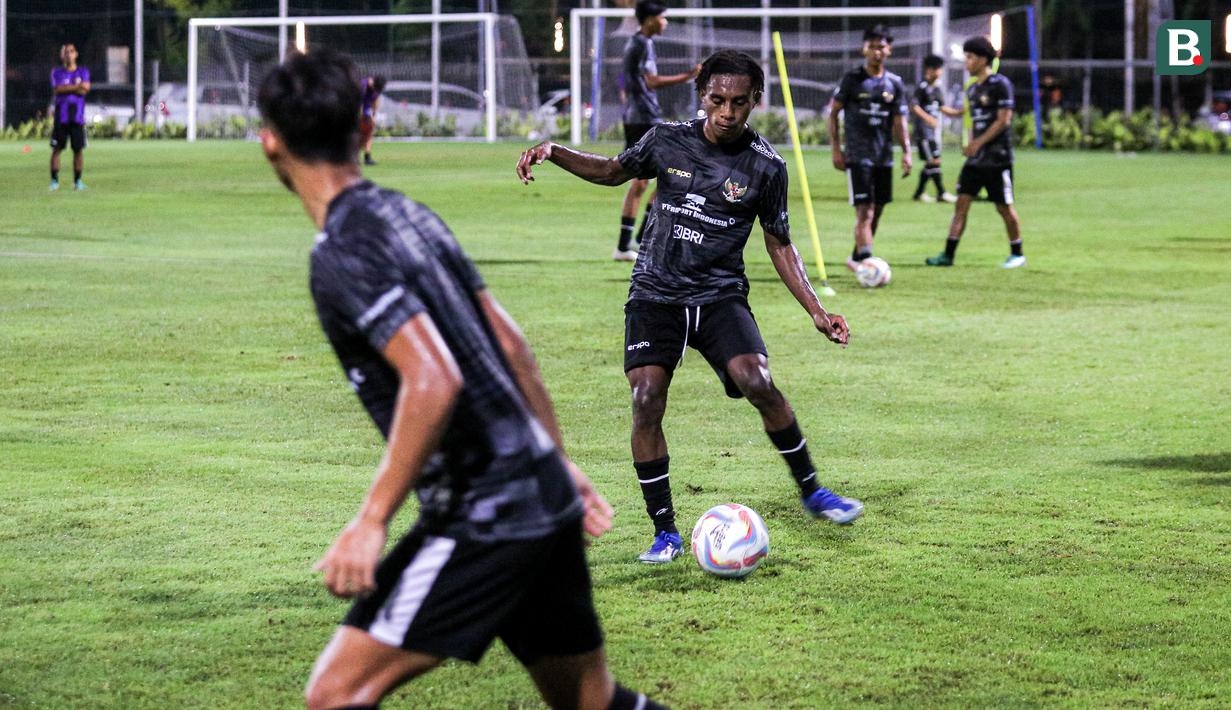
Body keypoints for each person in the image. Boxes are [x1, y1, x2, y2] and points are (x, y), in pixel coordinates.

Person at [257, 49, 669, 710]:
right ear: (365, 130)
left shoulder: (341, 250)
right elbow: (511, 345)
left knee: (335, 694)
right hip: (540, 488)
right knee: (590, 700)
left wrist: (370, 522)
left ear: (269, 142)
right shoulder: (409, 214)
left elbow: (433, 377)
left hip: (485, 511)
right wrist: (554, 460)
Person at [518, 50, 863, 566]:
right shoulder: (666, 139)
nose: (727, 112)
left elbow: (779, 242)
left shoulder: (767, 167)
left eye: (739, 102)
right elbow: (612, 171)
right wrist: (554, 150)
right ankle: (665, 532)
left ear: (755, 101)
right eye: (717, 100)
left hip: (720, 295)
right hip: (655, 292)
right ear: (702, 96)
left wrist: (816, 310)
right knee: (646, 398)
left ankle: (813, 491)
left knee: (758, 381)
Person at [925, 36, 1024, 269]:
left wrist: (978, 143)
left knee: (1003, 207)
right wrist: (970, 142)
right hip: (975, 160)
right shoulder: (972, 88)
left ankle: (1017, 253)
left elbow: (1003, 120)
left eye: (969, 57)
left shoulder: (1000, 84)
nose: (966, 62)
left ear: (982, 59)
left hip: (997, 158)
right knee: (961, 204)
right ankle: (948, 255)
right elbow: (971, 118)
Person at [614, 0, 700, 262]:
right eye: (663, 17)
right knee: (661, 177)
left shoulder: (642, 43)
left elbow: (632, 80)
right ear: (651, 19)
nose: (666, 22)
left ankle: (636, 241)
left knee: (662, 178)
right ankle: (632, 243)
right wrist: (688, 75)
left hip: (643, 117)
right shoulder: (640, 44)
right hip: (642, 120)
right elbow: (650, 81)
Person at [828, 25, 912, 271]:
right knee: (865, 211)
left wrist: (907, 151)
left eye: (881, 47)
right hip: (857, 156)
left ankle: (857, 257)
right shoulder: (852, 80)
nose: (877, 51)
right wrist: (836, 149)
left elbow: (900, 121)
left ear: (889, 50)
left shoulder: (895, 83)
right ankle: (867, 264)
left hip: (884, 157)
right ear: (864, 49)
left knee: (878, 210)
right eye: (872, 46)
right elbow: (833, 113)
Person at [910, 54, 957, 204]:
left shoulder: (937, 89)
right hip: (923, 132)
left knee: (931, 162)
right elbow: (914, 106)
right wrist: (928, 118)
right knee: (934, 161)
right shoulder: (922, 87)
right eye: (938, 69)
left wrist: (960, 112)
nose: (940, 72)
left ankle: (918, 193)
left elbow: (942, 108)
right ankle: (941, 193)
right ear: (929, 70)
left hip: (931, 133)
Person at [49, 43, 90, 191]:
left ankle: (77, 181)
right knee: (57, 149)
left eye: (71, 51)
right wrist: (77, 87)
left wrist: (66, 88)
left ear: (76, 54)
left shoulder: (83, 71)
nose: (69, 54)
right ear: (62, 55)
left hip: (77, 117)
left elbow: (86, 89)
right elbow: (57, 89)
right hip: (61, 116)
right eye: (66, 52)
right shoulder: (57, 72)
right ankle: (54, 181)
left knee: (78, 150)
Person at [359, 75, 386, 166]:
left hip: (366, 113)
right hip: (356, 111)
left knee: (368, 134)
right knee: (358, 135)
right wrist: (359, 116)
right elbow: (357, 101)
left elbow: (376, 101)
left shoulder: (376, 89)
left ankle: (366, 157)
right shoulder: (362, 86)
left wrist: (374, 116)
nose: (376, 91)